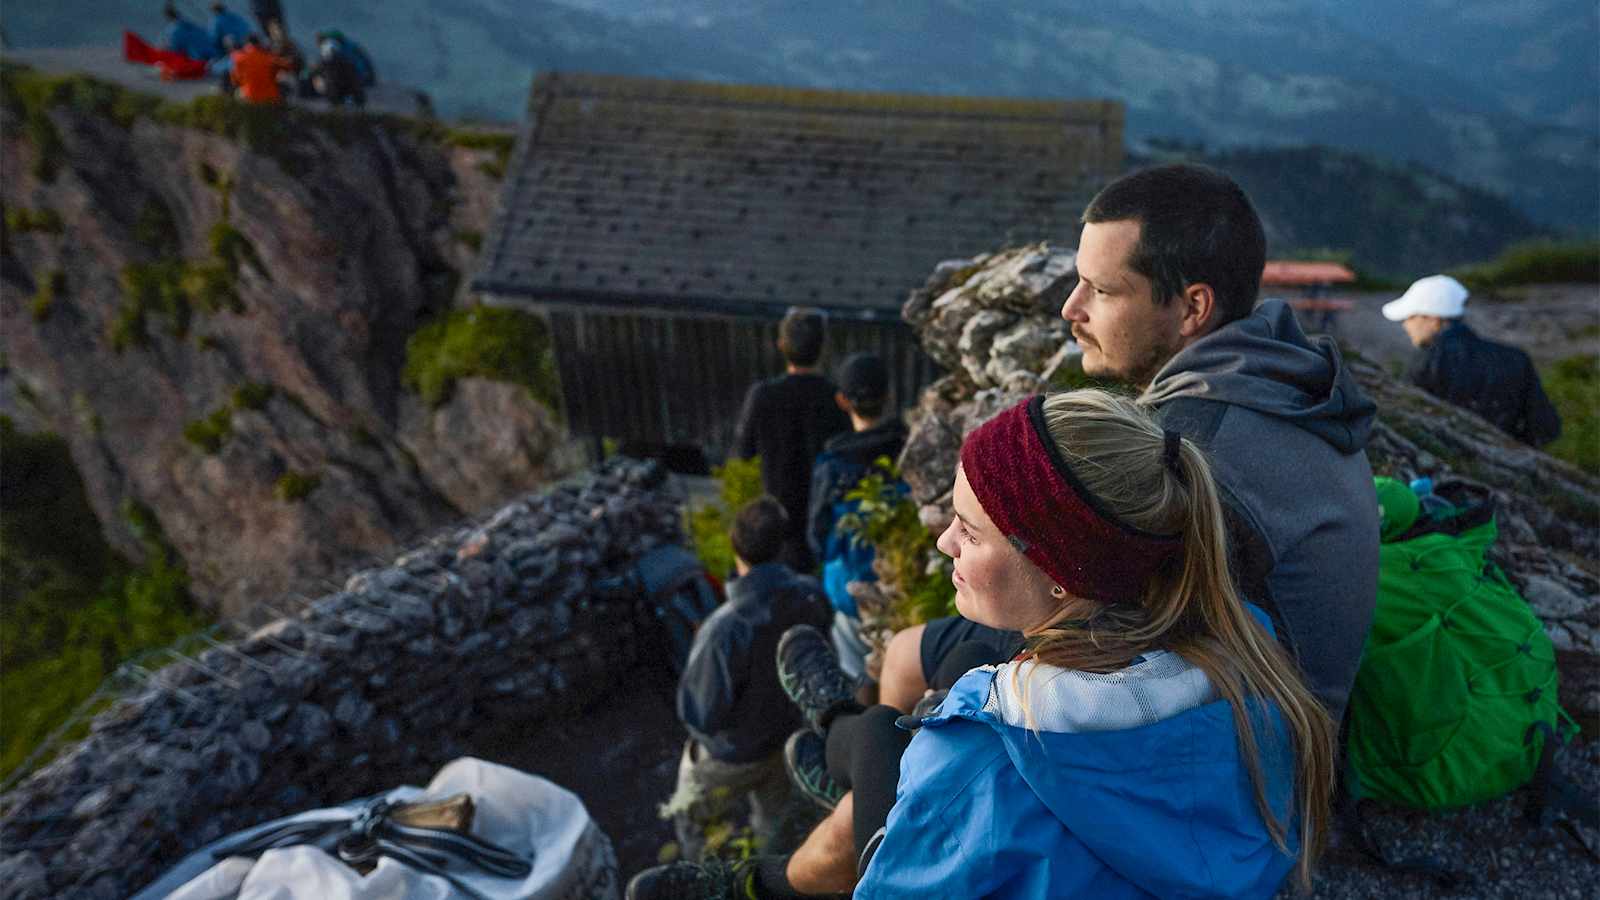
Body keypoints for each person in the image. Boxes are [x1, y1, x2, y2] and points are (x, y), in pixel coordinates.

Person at [628, 390, 1338, 898]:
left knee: (879, 732)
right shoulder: (1255, 665)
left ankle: (766, 866)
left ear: (1060, 571)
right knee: (878, 729)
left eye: (969, 531)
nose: (942, 542)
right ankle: (831, 730)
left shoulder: (980, 760)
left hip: (950, 819)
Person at [882, 163, 1379, 731]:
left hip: (1248, 747)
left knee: (917, 671)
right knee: (919, 655)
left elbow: (1109, 621)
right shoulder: (1278, 374)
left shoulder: (1198, 448)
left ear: (1193, 307)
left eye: (1102, 290)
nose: (1071, 308)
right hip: (1249, 688)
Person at [661, 496, 831, 862]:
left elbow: (699, 714)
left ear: (734, 544)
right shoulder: (810, 593)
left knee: (693, 823)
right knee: (777, 836)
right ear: (783, 544)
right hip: (787, 739)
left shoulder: (724, 629)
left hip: (731, 756)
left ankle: (710, 882)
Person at [805, 352, 907, 681]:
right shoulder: (908, 448)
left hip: (848, 588)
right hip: (902, 585)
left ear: (842, 401)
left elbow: (817, 535)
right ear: (888, 396)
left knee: (857, 674)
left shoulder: (832, 463)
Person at [732, 308, 852, 573]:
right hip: (821, 515)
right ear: (822, 348)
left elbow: (743, 451)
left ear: (781, 346)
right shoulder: (834, 398)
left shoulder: (763, 395)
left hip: (778, 518)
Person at [1383, 274, 1561, 447]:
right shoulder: (1515, 358)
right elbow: (1545, 427)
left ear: (1434, 319)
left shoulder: (1427, 361)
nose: (1406, 325)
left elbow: (1408, 418)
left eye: (1411, 317)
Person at [228, 34, 292, 104]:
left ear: (246, 44)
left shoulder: (239, 58)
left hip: (249, 96)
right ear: (259, 43)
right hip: (269, 97)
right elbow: (287, 66)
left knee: (237, 93)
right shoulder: (268, 57)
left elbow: (235, 80)